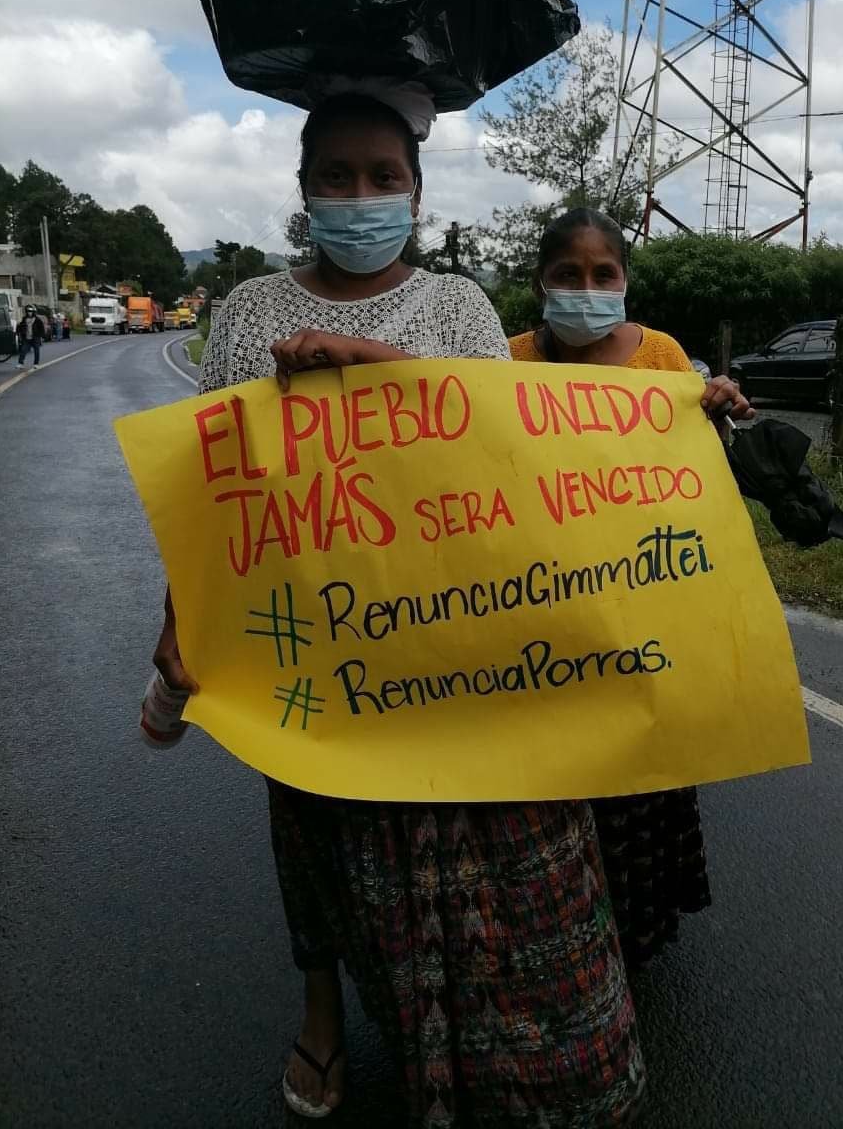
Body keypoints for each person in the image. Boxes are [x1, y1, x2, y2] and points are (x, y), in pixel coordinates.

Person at [153, 94, 647, 1126]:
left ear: (417, 191)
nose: (362, 195)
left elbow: (489, 449)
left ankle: (470, 1040)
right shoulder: (246, 312)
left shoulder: (461, 307)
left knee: (451, 835)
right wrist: (179, 622)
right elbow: (213, 490)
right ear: (305, 191)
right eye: (337, 174)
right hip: (300, 634)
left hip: (440, 634)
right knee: (312, 828)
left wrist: (362, 361)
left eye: (385, 175)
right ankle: (322, 1012)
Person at [510, 206, 755, 975]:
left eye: (603, 275)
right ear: (541, 284)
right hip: (540, 616)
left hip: (642, 615)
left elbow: (695, 481)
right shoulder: (501, 363)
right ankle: (557, 941)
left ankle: (632, 941)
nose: (586, 288)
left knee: (636, 780)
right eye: (567, 275)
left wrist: (719, 411)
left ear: (624, 280)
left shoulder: (662, 357)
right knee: (553, 787)